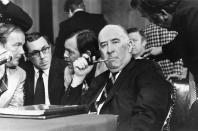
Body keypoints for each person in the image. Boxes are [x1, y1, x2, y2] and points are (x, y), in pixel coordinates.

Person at [64, 24, 172, 131]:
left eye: (115, 42)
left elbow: (147, 119)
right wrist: (78, 78)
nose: (110, 50)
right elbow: (67, 118)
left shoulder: (146, 70)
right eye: (103, 45)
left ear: (130, 45)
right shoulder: (99, 80)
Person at [130, 0, 198, 129]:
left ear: (163, 14)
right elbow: (185, 41)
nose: (152, 24)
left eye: (150, 19)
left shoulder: (190, 15)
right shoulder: (188, 12)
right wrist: (162, 50)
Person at [61, 29, 107, 105]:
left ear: (87, 54)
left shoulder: (104, 72)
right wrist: (76, 78)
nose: (65, 55)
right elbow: (65, 107)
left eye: (70, 52)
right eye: (65, 50)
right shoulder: (69, 71)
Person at [23, 33, 66, 105]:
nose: (42, 56)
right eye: (35, 53)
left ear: (51, 47)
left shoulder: (65, 68)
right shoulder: (23, 72)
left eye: (45, 49)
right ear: (28, 56)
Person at [0, 24, 26, 108]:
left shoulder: (20, 74)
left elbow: (15, 110)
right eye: (17, 45)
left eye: (22, 46)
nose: (22, 51)